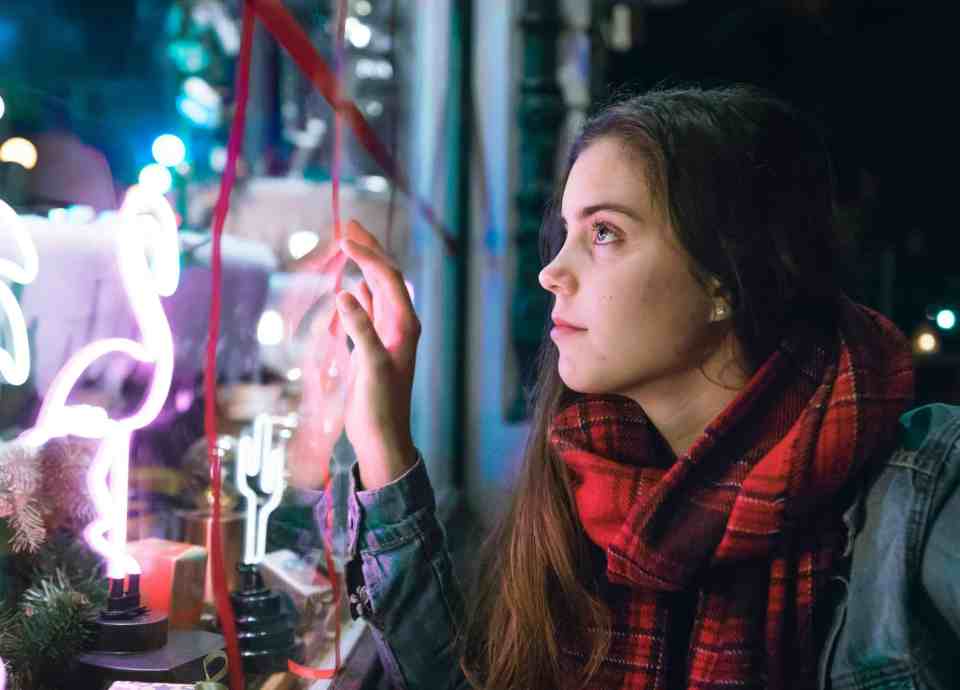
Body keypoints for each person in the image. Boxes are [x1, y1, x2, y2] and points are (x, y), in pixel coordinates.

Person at [324, 85, 960, 689]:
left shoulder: (925, 496)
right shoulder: (588, 484)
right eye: (567, 232)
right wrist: (382, 444)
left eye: (604, 233)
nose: (550, 272)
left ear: (725, 283)